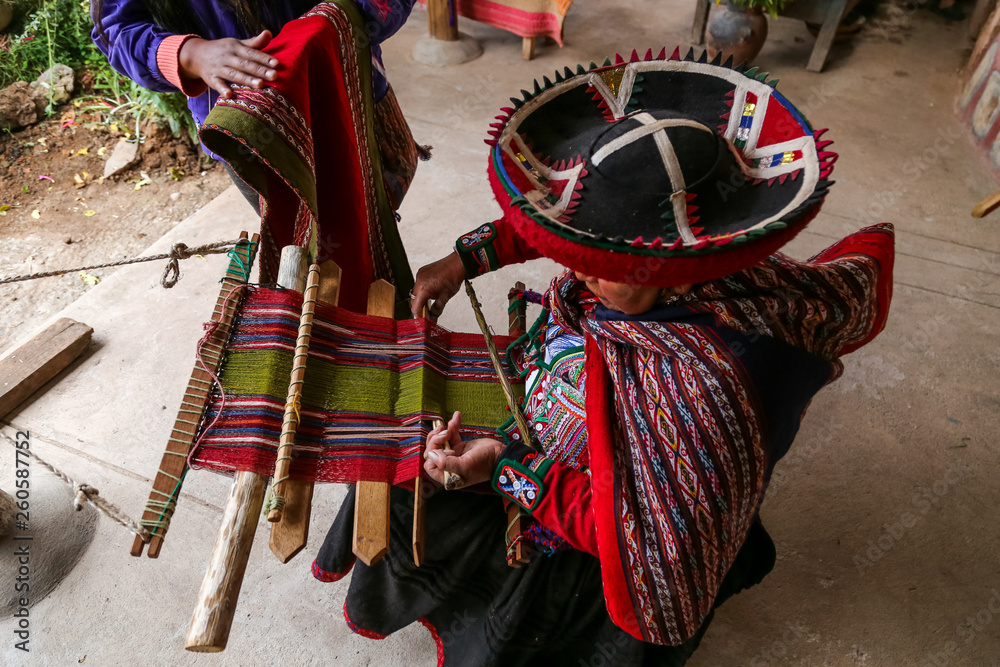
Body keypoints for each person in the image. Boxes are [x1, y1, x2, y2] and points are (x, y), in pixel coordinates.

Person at [313, 50, 895, 664]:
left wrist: (507, 469)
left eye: (604, 270)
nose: (576, 273)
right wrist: (465, 260)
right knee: (400, 455)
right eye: (583, 259)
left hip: (609, 524)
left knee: (443, 503)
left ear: (676, 267)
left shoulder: (699, 389)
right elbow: (563, 226)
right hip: (583, 426)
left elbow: (636, 539)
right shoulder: (700, 248)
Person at [90, 0, 418, 212]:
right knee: (306, 250)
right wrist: (191, 54)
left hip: (350, 97)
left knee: (373, 219)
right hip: (251, 137)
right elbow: (117, 32)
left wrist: (341, 20)